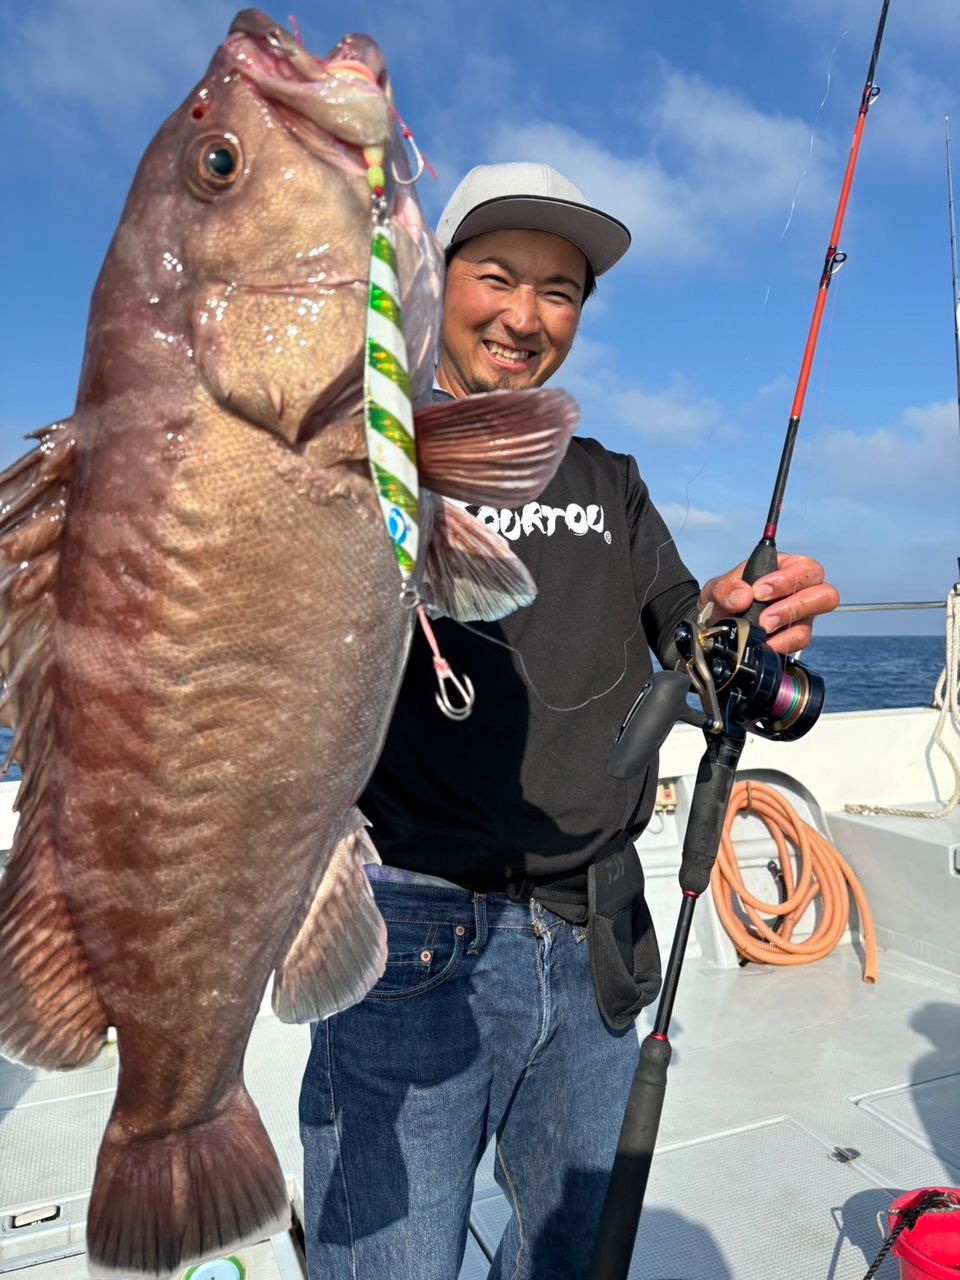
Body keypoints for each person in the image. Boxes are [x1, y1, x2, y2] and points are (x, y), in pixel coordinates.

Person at [299, 162, 839, 1279]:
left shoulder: (612, 480)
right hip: (410, 937)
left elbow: (692, 630)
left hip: (595, 942)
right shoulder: (365, 456)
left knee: (567, 1262)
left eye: (562, 292)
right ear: (432, 283)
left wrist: (751, 628)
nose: (526, 315)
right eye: (498, 276)